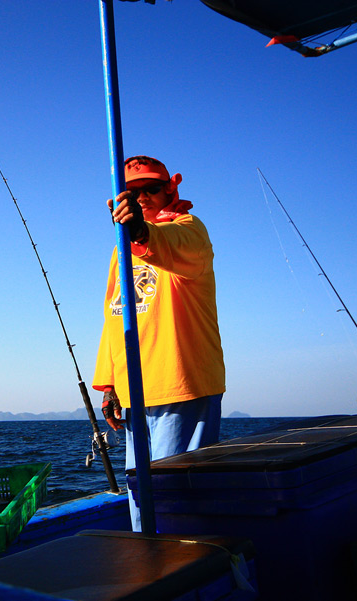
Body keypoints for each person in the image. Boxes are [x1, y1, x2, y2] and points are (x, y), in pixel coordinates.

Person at [92, 156, 225, 531]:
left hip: (182, 384)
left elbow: (169, 245)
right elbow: (114, 315)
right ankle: (148, 564)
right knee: (141, 495)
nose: (141, 197)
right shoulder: (122, 249)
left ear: (169, 188)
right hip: (135, 390)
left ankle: (189, 573)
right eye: (132, 191)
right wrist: (109, 384)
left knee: (177, 498)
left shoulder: (190, 229)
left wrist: (139, 232)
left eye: (150, 188)